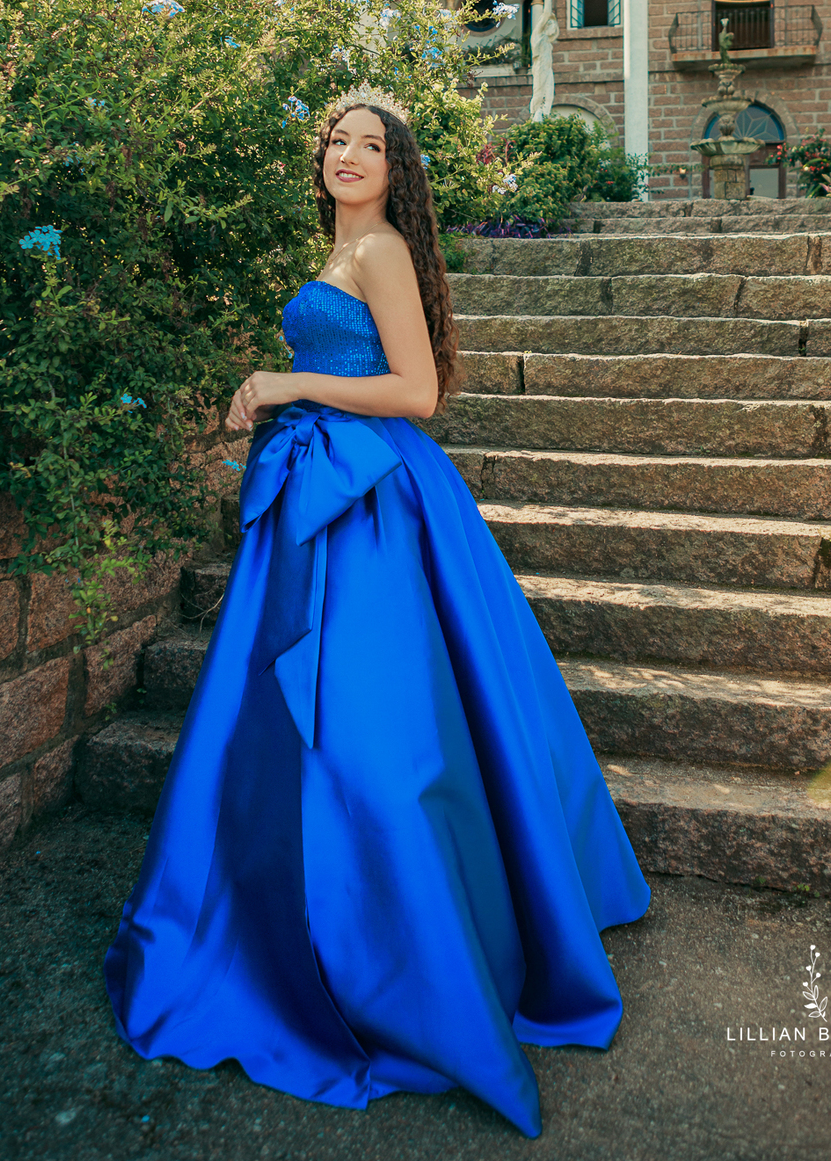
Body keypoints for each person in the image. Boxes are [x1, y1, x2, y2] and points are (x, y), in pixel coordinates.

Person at [104, 89, 650, 1138]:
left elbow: (418, 392)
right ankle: (318, 919)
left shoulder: (384, 251)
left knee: (376, 729)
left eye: (371, 144)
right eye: (336, 140)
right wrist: (284, 394)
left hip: (372, 502)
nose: (348, 154)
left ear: (398, 170)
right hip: (323, 488)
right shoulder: (344, 251)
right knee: (306, 716)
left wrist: (282, 382)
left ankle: (404, 959)